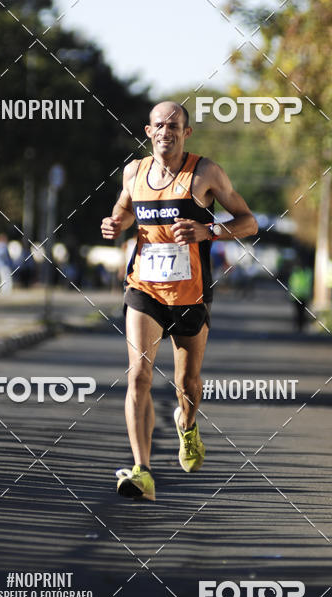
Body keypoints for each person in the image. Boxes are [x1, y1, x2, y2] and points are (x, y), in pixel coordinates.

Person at [101, 102, 258, 501]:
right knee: (138, 375)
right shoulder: (134, 172)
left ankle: (187, 425)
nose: (165, 131)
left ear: (186, 133)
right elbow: (123, 211)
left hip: (191, 294)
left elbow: (249, 221)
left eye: (174, 125)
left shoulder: (205, 173)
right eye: (158, 125)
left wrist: (209, 231)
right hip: (144, 289)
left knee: (186, 383)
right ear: (148, 131)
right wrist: (115, 224)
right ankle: (143, 470)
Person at [288, 262, 313, 331]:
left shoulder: (303, 273)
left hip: (303, 296)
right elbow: (292, 283)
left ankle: (300, 327)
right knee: (298, 312)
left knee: (301, 312)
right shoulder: (305, 273)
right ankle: (298, 326)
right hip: (298, 295)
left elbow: (292, 283)